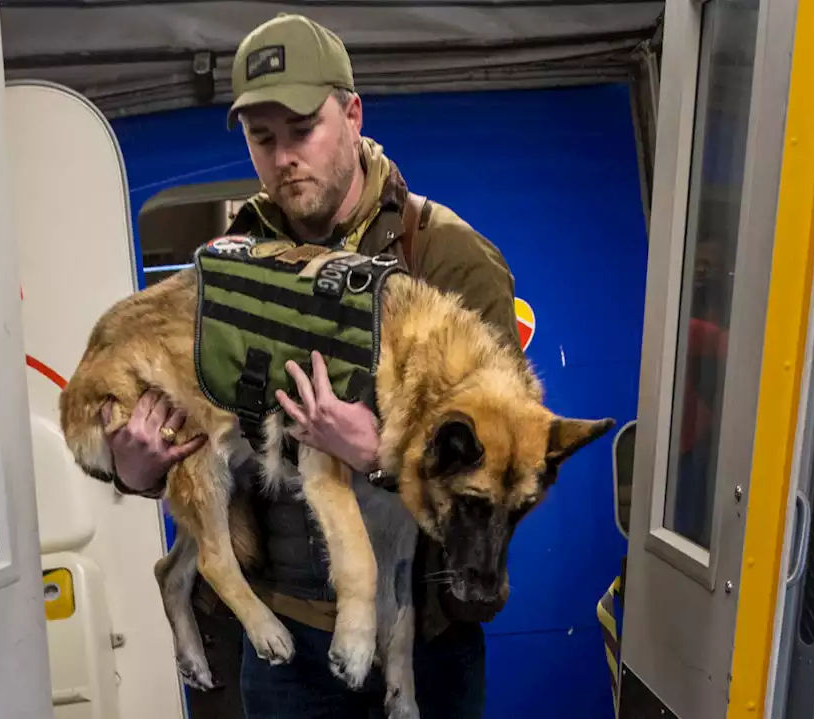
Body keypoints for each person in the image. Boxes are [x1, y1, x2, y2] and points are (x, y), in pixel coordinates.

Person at [103, 13, 521, 718]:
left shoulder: (446, 257)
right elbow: (201, 436)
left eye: (303, 130)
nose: (284, 157)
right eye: (262, 139)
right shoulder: (231, 263)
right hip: (286, 648)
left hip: (421, 646)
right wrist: (134, 467)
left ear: (352, 113)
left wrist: (380, 454)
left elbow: (503, 469)